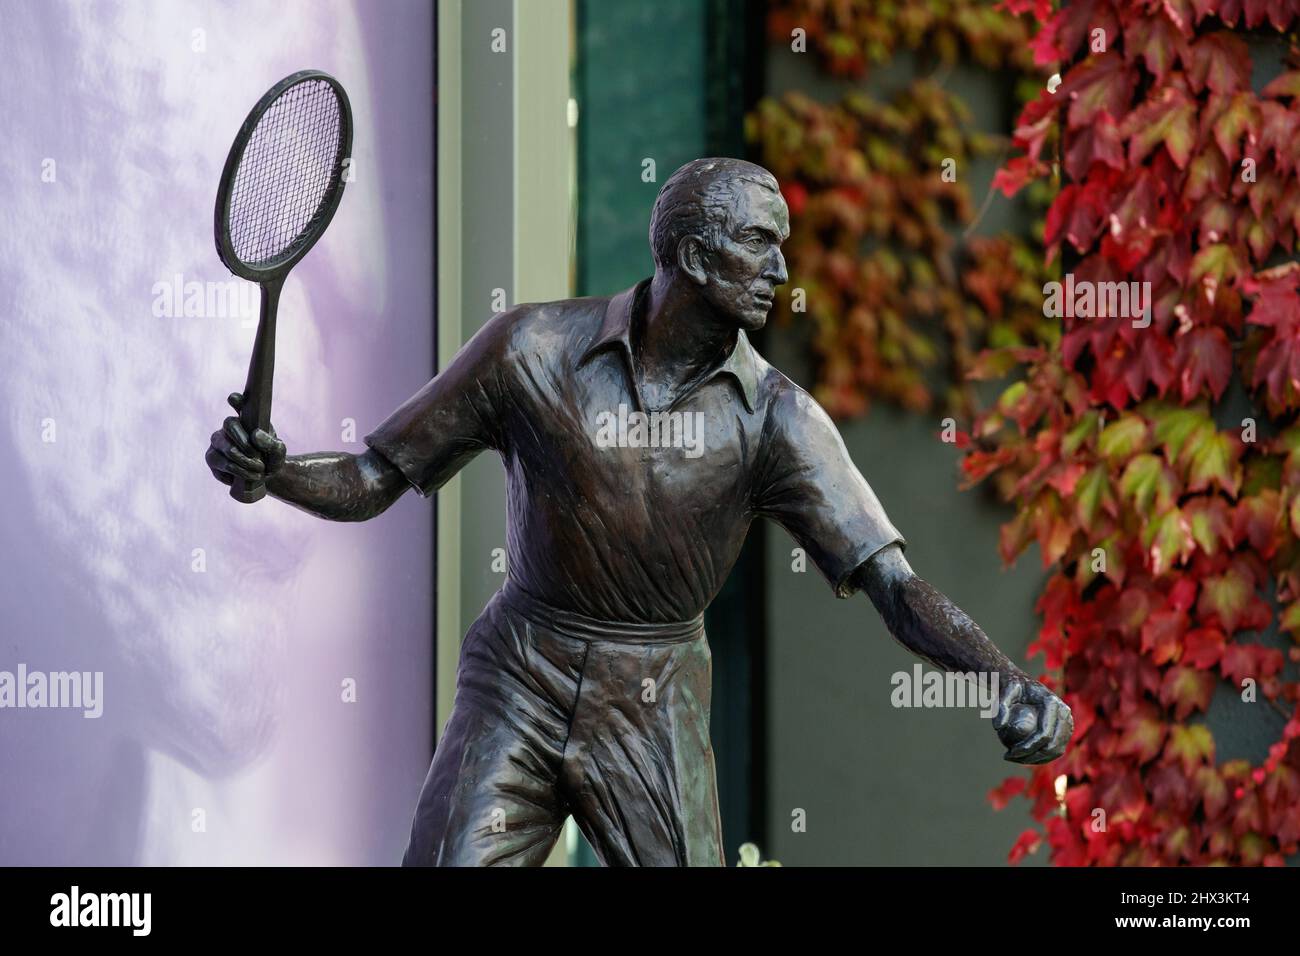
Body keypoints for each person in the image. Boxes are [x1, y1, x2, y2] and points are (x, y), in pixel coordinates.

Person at [206, 157, 1073, 867]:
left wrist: (1007, 680)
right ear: (694, 258)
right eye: (759, 246)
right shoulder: (530, 348)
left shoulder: (779, 419)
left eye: (782, 248)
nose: (781, 272)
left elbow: (894, 584)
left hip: (655, 697)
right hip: (519, 673)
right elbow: (372, 475)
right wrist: (274, 471)